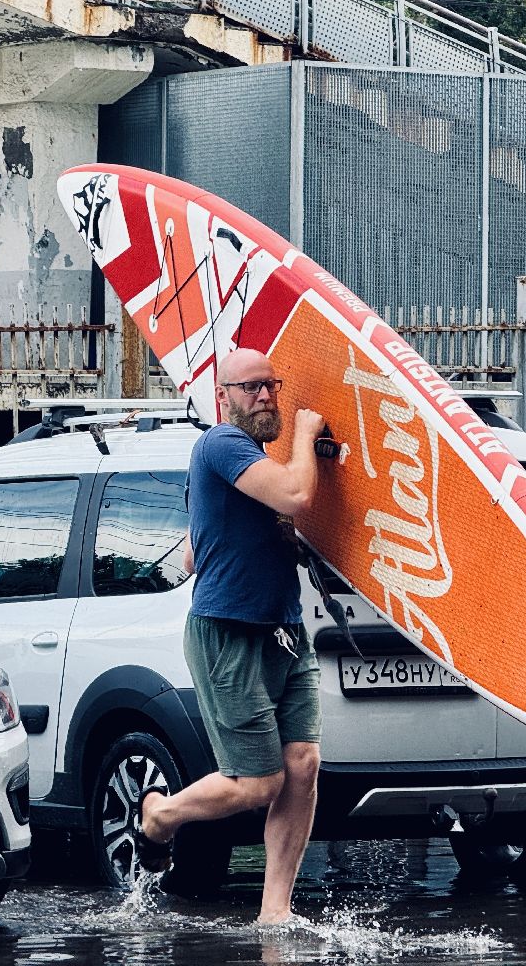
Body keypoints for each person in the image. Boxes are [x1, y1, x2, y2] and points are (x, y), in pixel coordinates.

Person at [136, 348, 327, 925]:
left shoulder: (252, 465)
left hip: (285, 631)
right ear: (224, 398)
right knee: (259, 782)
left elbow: (198, 545)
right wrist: (305, 430)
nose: (265, 395)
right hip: (227, 634)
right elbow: (296, 494)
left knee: (303, 762)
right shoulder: (220, 445)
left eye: (272, 384)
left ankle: (275, 911)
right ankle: (160, 817)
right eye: (250, 388)